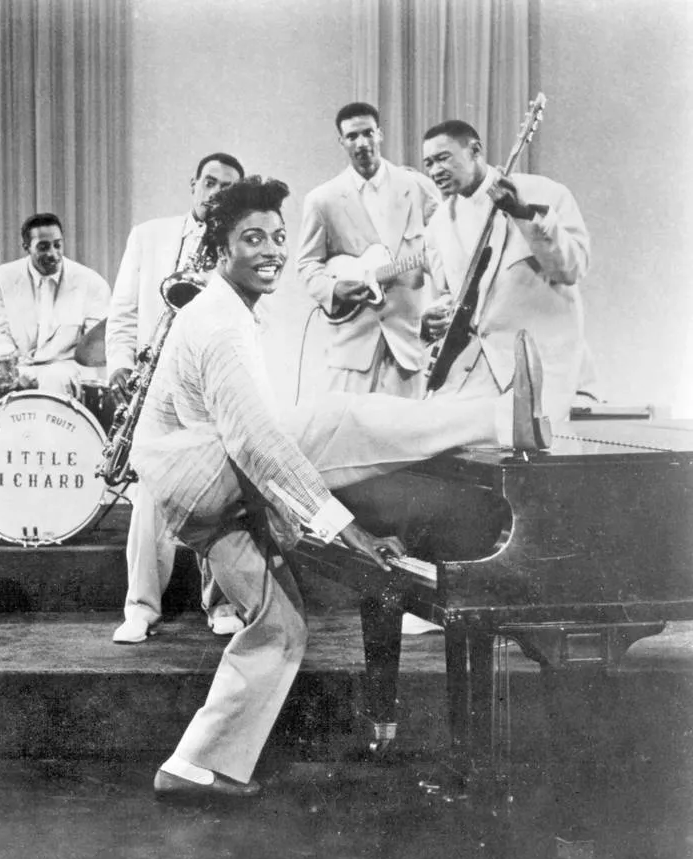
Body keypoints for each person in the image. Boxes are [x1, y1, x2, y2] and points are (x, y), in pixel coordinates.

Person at [131, 175, 549, 800]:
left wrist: (317, 522)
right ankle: (494, 420)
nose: (272, 250)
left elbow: (252, 445)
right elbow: (255, 444)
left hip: (198, 494)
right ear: (220, 250)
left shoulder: (229, 312)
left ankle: (191, 765)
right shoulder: (219, 321)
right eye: (253, 239)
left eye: (278, 236)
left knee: (280, 628)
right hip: (205, 478)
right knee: (338, 418)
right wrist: (344, 528)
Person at [104, 152, 246, 643]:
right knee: (148, 496)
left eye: (228, 187)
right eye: (210, 182)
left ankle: (222, 602)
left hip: (210, 388)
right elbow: (122, 312)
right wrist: (120, 366)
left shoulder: (238, 248)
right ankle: (141, 607)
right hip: (155, 384)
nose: (216, 193)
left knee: (219, 494)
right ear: (193, 185)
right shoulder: (148, 236)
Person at [420, 119, 590, 423]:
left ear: (475, 150)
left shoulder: (544, 192)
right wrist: (431, 316)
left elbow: (572, 268)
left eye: (443, 158)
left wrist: (523, 214)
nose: (434, 171)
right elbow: (448, 296)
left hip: (544, 368)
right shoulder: (438, 226)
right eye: (428, 163)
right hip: (478, 373)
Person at [296, 102, 441, 396]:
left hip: (407, 347)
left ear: (380, 134)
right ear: (341, 142)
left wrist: (434, 308)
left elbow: (446, 254)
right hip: (351, 348)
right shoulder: (322, 200)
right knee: (350, 435)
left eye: (368, 133)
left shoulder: (417, 187)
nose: (362, 143)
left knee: (406, 437)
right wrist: (335, 290)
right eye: (352, 137)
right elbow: (307, 266)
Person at [0, 213, 110, 396]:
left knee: (53, 378)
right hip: (18, 367)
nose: (53, 253)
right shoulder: (0, 279)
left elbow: (93, 347)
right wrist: (17, 372)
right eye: (43, 247)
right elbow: (1, 336)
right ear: (26, 247)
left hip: (66, 369)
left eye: (57, 245)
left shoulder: (92, 283)